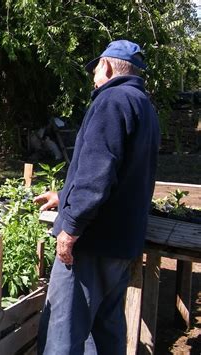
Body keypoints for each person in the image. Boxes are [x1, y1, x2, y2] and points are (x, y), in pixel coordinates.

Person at [34, 40, 160, 354]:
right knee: (105, 331)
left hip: (91, 244)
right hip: (121, 243)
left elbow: (97, 172)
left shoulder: (111, 101)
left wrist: (71, 226)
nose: (93, 78)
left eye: (95, 70)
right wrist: (63, 196)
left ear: (106, 65)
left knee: (62, 334)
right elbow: (121, 173)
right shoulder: (144, 105)